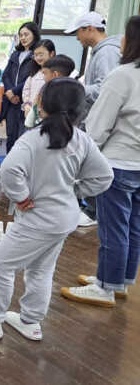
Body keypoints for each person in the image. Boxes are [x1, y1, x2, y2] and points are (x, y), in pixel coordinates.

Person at [0, 78, 112, 347]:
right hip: (65, 218)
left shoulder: (33, 138)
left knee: (0, 265)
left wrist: (21, 197)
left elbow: (9, 170)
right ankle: (30, 321)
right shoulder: (82, 140)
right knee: (41, 268)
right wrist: (73, 191)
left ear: (41, 106)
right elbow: (104, 177)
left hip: (38, 220)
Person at [61, 15, 140, 307]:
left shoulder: (123, 74)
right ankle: (119, 281)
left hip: (118, 163)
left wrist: (85, 158)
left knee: (113, 228)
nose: (119, 41)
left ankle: (105, 287)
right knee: (133, 226)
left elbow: (99, 123)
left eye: (125, 36)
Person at [65, 11, 122, 110]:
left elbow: (106, 90)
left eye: (77, 32)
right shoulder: (100, 51)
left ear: (89, 29)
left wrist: (76, 88)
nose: (77, 38)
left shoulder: (107, 52)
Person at [0, 21, 40, 153]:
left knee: (23, 135)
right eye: (20, 35)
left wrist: (14, 91)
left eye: (26, 34)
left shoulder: (36, 55)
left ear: (34, 35)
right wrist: (10, 93)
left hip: (26, 101)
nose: (23, 38)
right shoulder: (15, 54)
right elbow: (5, 75)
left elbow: (31, 78)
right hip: (11, 101)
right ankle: (8, 163)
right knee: (10, 134)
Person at [22, 39, 56, 128]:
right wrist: (26, 105)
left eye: (41, 54)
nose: (38, 58)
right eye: (35, 55)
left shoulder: (55, 73)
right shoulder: (34, 73)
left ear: (51, 54)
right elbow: (26, 90)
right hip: (31, 114)